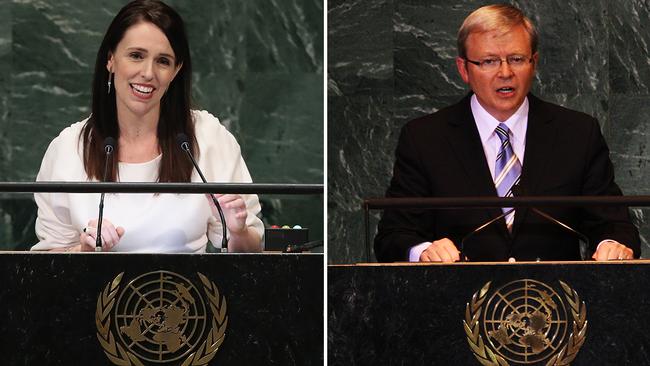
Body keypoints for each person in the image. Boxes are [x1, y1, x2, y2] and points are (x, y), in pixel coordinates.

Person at [374, 4, 640, 262]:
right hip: (457, 300)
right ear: (463, 69)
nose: (505, 73)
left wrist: (612, 246)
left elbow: (615, 226)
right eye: (489, 61)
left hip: (554, 301)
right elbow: (393, 235)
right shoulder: (425, 138)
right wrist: (423, 251)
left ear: (533, 63)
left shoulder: (578, 133)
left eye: (516, 59)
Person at [32, 0, 263, 253]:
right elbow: (47, 267)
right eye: (136, 56)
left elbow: (250, 257)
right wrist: (85, 252)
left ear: (176, 71)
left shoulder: (208, 137)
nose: (148, 73)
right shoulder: (67, 149)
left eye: (163, 61)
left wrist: (238, 231)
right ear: (111, 59)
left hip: (190, 293)